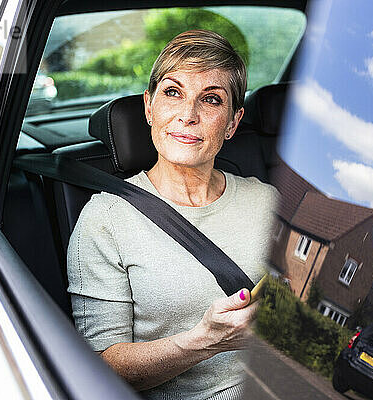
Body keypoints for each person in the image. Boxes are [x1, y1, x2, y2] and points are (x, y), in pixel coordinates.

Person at [67, 30, 279, 399]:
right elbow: (102, 369)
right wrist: (205, 341)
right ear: (149, 107)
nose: (188, 114)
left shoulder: (269, 201)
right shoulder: (105, 220)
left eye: (211, 100)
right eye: (173, 92)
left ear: (232, 122)